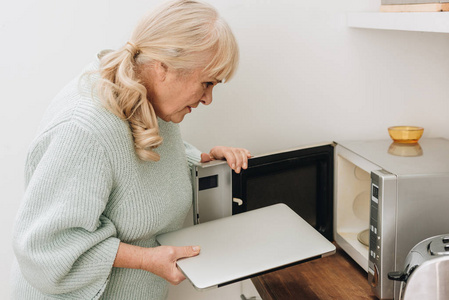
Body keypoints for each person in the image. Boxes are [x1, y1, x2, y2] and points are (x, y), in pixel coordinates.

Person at [11, 0, 250, 299]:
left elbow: (134, 158)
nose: (208, 99)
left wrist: (198, 161)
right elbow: (45, 248)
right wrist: (147, 259)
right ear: (164, 67)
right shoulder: (83, 129)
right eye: (206, 83)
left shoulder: (145, 96)